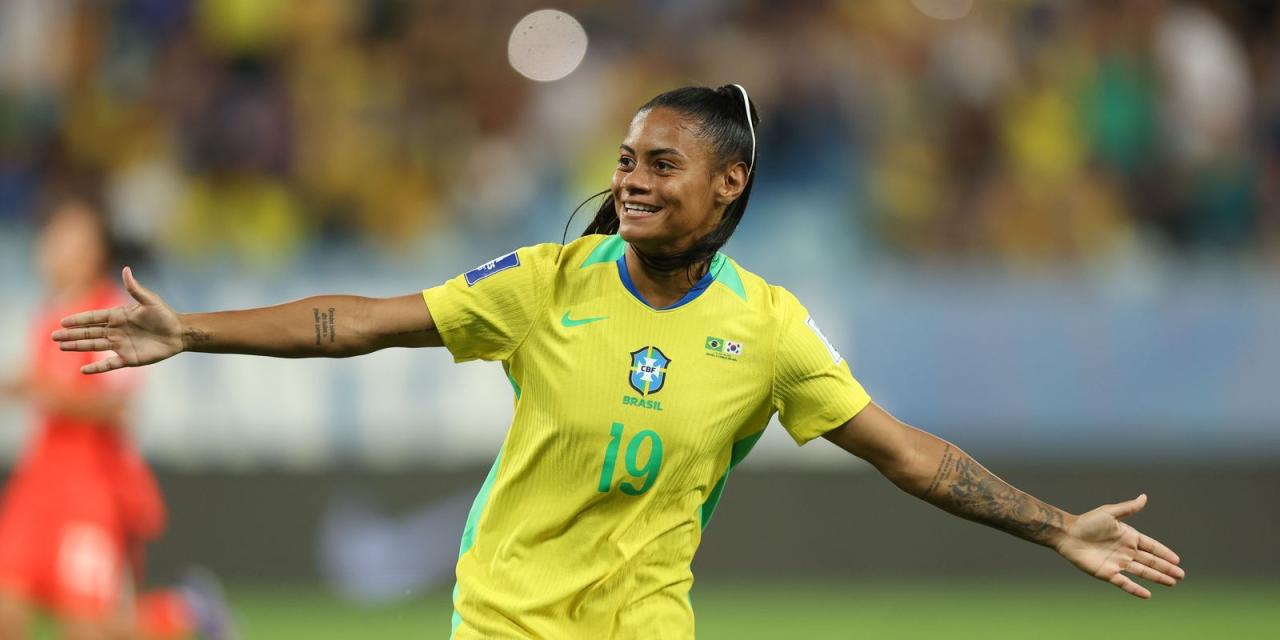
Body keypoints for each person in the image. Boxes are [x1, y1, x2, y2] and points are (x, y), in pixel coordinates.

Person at [52, 85, 1184, 639]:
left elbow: (909, 456)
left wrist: (1051, 525)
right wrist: (193, 330)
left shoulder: (769, 330)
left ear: (728, 184)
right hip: (503, 620)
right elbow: (362, 319)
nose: (631, 178)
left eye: (662, 161)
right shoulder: (548, 282)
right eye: (626, 159)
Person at [0, 196, 234, 640]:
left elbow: (118, 406)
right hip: (37, 484)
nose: (49, 247)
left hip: (91, 486)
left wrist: (48, 393)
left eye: (64, 238)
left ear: (93, 255)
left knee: (88, 629)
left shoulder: (109, 313)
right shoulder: (46, 315)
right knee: (4, 610)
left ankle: (183, 614)